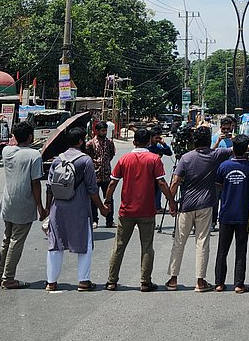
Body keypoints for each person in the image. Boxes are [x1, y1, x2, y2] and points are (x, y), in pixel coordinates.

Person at [105, 127, 176, 292]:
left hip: (126, 210)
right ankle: (145, 281)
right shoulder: (153, 159)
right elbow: (162, 183)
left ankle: (111, 281)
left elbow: (113, 183)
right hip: (146, 210)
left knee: (119, 246)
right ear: (149, 141)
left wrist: (107, 201)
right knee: (147, 246)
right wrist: (171, 201)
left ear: (134, 141)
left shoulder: (124, 159)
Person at [166, 126, 231, 291]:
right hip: (205, 205)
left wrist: (172, 202)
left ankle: (173, 279)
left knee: (179, 241)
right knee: (202, 242)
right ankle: (200, 281)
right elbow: (237, 148)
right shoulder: (215, 155)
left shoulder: (185, 158)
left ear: (194, 141)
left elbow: (175, 182)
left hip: (186, 205)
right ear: (209, 141)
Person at [46, 126, 109, 291]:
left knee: (55, 244)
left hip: (57, 207)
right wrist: (101, 208)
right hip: (79, 207)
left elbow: (49, 187)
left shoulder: (57, 160)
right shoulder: (85, 160)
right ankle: (83, 281)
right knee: (84, 244)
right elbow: (92, 189)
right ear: (81, 141)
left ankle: (51, 282)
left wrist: (47, 209)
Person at [0, 122, 47, 290]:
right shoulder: (34, 155)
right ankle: (8, 277)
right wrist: (40, 206)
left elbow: (12, 145)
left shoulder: (6, 151)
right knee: (16, 240)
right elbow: (36, 183)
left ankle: (1, 274)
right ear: (31, 137)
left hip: (7, 201)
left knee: (7, 238)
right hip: (23, 202)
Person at [214, 135, 249, 292]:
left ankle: (219, 282)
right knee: (241, 249)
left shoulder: (224, 166)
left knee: (222, 250)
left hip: (226, 212)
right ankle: (239, 283)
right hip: (243, 213)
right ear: (246, 149)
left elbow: (219, 186)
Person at [88, 121, 117, 229]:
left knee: (109, 197)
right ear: (97, 131)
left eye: (105, 130)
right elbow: (88, 157)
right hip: (94, 175)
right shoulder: (90, 143)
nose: (104, 132)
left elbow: (111, 154)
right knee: (93, 199)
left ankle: (109, 220)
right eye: (102, 130)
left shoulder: (109, 142)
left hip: (106, 175)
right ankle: (94, 220)